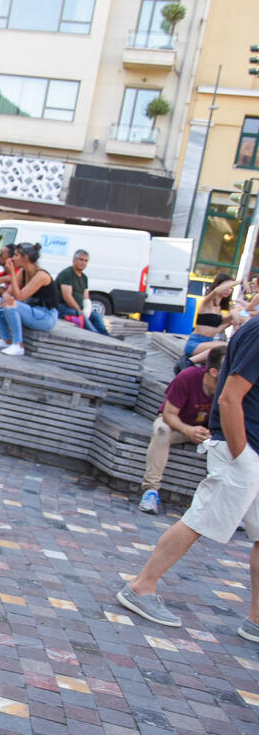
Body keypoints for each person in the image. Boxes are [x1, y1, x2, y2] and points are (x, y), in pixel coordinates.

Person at [115, 315, 259, 643]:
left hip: (252, 450)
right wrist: (242, 457)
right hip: (243, 449)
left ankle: (257, 620)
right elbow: (229, 397)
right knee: (200, 520)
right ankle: (141, 587)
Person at [139, 347, 224, 514]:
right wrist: (189, 430)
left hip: (206, 432)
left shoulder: (233, 387)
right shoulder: (189, 377)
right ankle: (151, 490)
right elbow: (169, 415)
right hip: (178, 426)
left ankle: (226, 505)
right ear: (214, 371)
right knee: (162, 430)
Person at [0, 242, 59, 356]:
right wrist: (6, 296)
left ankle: (18, 345)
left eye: (16, 255)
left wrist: (12, 273)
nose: (13, 259)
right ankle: (6, 340)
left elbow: (20, 296)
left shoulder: (41, 275)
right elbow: (8, 293)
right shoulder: (23, 272)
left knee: (11, 304)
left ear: (25, 258)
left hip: (46, 316)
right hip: (31, 310)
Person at [55, 249, 110, 336]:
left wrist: (87, 309)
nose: (83, 263)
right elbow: (67, 297)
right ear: (74, 260)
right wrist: (80, 310)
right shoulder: (67, 274)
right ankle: (95, 335)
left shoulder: (84, 277)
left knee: (96, 315)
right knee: (82, 315)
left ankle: (106, 335)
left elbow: (86, 297)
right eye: (81, 260)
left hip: (77, 308)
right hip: (63, 307)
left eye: (86, 261)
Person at [185, 274, 238, 359]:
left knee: (230, 348)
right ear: (218, 285)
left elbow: (215, 330)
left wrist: (230, 321)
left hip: (208, 342)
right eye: (226, 286)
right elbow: (217, 291)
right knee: (226, 346)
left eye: (230, 288)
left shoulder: (218, 307)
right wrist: (239, 282)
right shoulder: (207, 302)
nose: (228, 290)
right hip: (196, 343)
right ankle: (189, 361)